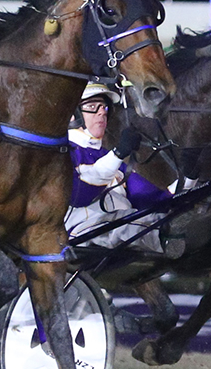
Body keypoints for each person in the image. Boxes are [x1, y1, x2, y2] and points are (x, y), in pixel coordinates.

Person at [66, 83, 183, 257]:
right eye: (92, 107)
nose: (102, 112)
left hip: (122, 229)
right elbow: (79, 196)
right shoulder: (64, 153)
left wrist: (188, 178)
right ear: (73, 115)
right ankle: (167, 234)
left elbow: (153, 201)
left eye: (104, 107)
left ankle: (172, 232)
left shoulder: (112, 158)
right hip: (82, 233)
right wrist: (118, 153)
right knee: (126, 223)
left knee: (158, 218)